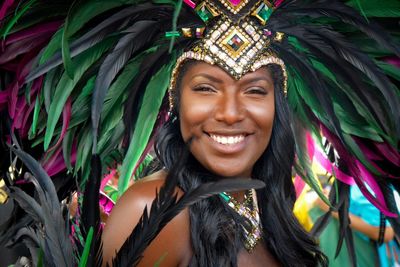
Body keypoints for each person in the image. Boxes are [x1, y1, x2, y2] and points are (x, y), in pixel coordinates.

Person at [0, 0, 399, 266]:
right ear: (176, 102)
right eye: (206, 88)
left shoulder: (268, 201)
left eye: (255, 90)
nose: (230, 112)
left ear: (278, 104)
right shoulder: (153, 210)